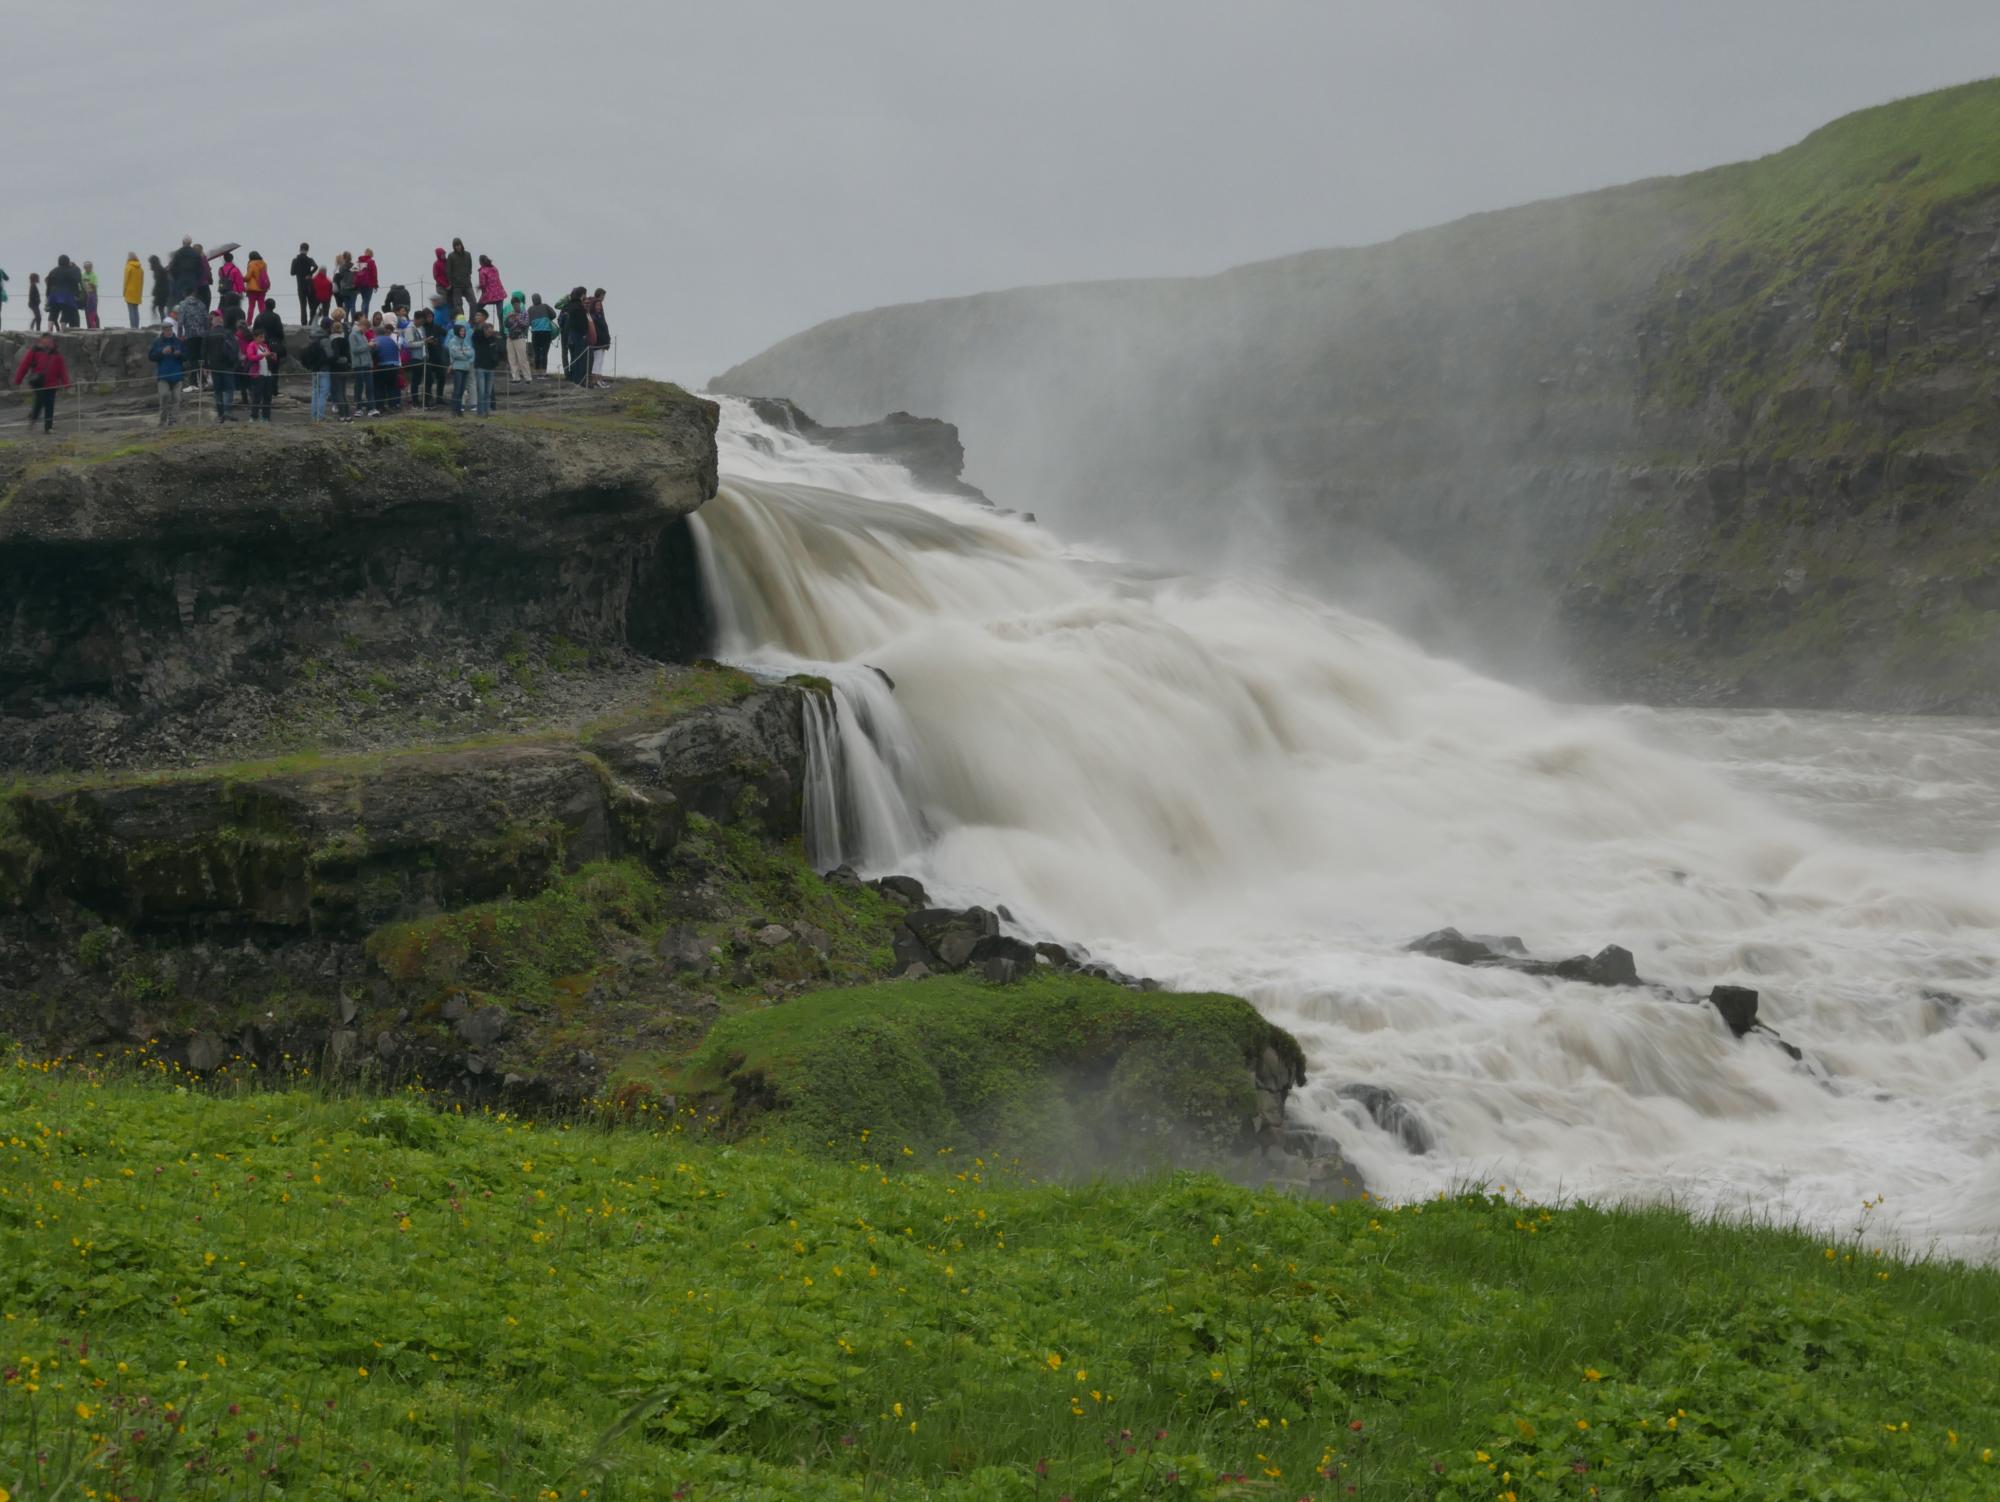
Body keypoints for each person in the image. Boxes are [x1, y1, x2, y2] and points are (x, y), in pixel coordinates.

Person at [13, 331, 69, 433]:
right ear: (41, 341)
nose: (47, 343)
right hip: (38, 382)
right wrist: (18, 379)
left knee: (50, 404)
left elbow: (62, 370)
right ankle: (33, 418)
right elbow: (24, 366)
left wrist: (66, 383)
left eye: (49, 341)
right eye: (45, 340)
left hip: (52, 383)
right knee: (40, 400)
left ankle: (48, 427)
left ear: (51, 341)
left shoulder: (56, 354)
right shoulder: (34, 351)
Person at [206, 319, 242, 421]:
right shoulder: (229, 333)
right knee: (229, 389)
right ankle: (227, 411)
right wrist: (235, 362)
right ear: (222, 323)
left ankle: (220, 414)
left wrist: (205, 366)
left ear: (213, 324)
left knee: (218, 391)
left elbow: (204, 351)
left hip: (214, 366)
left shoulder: (209, 334)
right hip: (227, 366)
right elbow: (235, 348)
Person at [470, 308, 504, 416]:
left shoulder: (493, 339)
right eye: (488, 330)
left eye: (491, 330)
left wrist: (495, 362)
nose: (490, 332)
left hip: (490, 368)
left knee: (488, 392)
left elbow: (498, 351)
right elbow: (475, 335)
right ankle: (481, 413)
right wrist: (482, 329)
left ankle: (487, 412)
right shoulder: (478, 337)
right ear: (484, 330)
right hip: (480, 367)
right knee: (481, 391)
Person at [558, 285, 592, 386]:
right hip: (578, 335)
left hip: (570, 334)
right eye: (585, 293)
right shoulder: (578, 306)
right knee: (580, 357)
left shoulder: (570, 305)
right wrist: (584, 333)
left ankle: (574, 377)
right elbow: (581, 322)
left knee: (574, 357)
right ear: (582, 294)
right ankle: (579, 380)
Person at [176, 293, 210, 391]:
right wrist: (206, 332)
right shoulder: (201, 304)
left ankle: (193, 383)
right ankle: (203, 382)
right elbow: (206, 319)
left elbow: (180, 322)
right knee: (201, 357)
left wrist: (179, 335)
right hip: (202, 335)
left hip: (190, 335)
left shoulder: (183, 304)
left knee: (192, 359)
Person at [241, 326, 275, 422]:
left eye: (263, 337)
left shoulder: (265, 346)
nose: (262, 339)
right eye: (260, 337)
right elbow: (251, 357)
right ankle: (253, 416)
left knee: (267, 396)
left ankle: (266, 416)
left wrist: (272, 356)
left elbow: (268, 357)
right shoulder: (251, 345)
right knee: (256, 396)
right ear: (255, 337)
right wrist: (262, 355)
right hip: (257, 374)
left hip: (267, 374)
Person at [445, 314, 475, 414]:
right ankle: (455, 409)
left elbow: (471, 352)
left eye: (464, 331)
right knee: (457, 390)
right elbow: (456, 354)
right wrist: (465, 354)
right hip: (458, 367)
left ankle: (459, 410)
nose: (463, 332)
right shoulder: (453, 341)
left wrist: (464, 353)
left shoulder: (464, 342)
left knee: (462, 389)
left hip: (466, 367)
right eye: (461, 331)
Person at [347, 315, 376, 416]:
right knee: (359, 387)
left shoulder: (363, 335)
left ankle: (372, 408)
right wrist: (368, 345)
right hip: (358, 365)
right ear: (363, 326)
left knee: (370, 387)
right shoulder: (353, 335)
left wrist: (371, 345)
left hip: (367, 364)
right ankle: (358, 409)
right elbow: (355, 350)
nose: (367, 331)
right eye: (367, 328)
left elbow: (364, 349)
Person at [421, 308, 449, 409]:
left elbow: (447, 333)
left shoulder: (436, 327)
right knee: (429, 379)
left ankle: (439, 398)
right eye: (428, 317)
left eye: (431, 316)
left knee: (441, 377)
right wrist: (428, 341)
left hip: (438, 355)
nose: (430, 318)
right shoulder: (422, 328)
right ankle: (427, 398)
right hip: (428, 357)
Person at [371, 320, 401, 412]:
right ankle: (394, 405)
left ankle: (380, 406)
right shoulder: (391, 340)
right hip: (394, 366)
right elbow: (397, 350)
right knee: (392, 386)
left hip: (382, 366)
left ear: (375, 333)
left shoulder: (375, 341)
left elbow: (374, 353)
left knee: (379, 387)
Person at [46, 256, 82, 330]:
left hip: (53, 295)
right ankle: (63, 329)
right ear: (67, 262)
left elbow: (49, 284)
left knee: (53, 312)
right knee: (66, 311)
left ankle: (49, 329)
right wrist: (77, 294)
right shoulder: (70, 271)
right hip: (66, 296)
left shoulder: (53, 271)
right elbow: (76, 281)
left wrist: (48, 295)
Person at [503, 291, 533, 382]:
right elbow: (506, 325)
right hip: (510, 337)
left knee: (522, 358)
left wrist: (517, 319)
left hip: (520, 337)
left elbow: (526, 324)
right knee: (512, 358)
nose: (516, 306)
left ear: (520, 304)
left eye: (517, 304)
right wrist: (508, 318)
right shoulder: (511, 313)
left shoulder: (525, 313)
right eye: (514, 305)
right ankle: (516, 377)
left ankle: (528, 377)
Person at [526, 293, 555, 374]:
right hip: (546, 332)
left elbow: (527, 321)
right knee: (545, 353)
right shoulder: (545, 306)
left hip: (535, 333)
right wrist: (547, 318)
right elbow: (554, 315)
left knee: (537, 352)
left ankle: (537, 372)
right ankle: (544, 372)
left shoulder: (530, 309)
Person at [589, 289, 613, 386]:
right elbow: (597, 330)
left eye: (600, 305)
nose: (599, 307)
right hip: (598, 341)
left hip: (602, 341)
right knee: (597, 360)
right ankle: (595, 380)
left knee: (600, 360)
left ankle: (598, 379)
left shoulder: (599, 315)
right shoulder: (594, 317)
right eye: (598, 305)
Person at [290, 243, 317, 325]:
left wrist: (298, 271)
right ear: (307, 250)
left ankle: (304, 323)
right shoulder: (310, 259)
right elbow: (316, 266)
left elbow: (292, 273)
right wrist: (310, 274)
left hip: (300, 285)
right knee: (312, 305)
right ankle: (311, 322)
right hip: (309, 285)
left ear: (300, 249)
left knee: (303, 305)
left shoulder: (295, 260)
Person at [446, 238, 473, 317]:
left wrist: (468, 276)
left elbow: (470, 268)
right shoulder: (451, 256)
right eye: (455, 245)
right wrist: (452, 282)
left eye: (458, 245)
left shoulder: (468, 254)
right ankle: (462, 321)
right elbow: (449, 271)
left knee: (473, 302)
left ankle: (472, 321)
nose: (457, 247)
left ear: (461, 244)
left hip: (467, 284)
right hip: (456, 285)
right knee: (458, 305)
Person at [475, 255, 506, 320]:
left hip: (489, 295)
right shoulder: (494, 268)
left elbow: (483, 284)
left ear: (480, 262)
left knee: (476, 309)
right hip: (499, 293)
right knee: (500, 313)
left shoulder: (482, 271)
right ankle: (502, 328)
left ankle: (474, 325)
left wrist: (479, 287)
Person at [118, 252, 144, 328]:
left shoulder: (128, 267)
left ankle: (133, 326)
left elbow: (126, 280)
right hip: (137, 292)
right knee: (136, 310)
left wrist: (124, 291)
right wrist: (140, 293)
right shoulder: (141, 269)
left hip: (129, 292)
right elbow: (142, 282)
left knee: (131, 311)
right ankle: (137, 326)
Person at [244, 251, 270, 320]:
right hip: (262, 288)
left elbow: (248, 277)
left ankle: (249, 322)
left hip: (253, 289)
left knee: (251, 306)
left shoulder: (251, 264)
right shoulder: (264, 264)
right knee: (261, 306)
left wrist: (242, 278)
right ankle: (264, 321)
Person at [354, 248, 379, 316]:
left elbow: (354, 273)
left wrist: (355, 284)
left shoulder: (358, 261)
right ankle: (364, 316)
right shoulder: (371, 262)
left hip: (360, 284)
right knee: (366, 301)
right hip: (368, 284)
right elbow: (374, 274)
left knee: (364, 300)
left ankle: (362, 316)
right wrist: (375, 284)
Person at [149, 256, 172, 324]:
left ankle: (159, 321)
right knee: (160, 308)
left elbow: (158, 282)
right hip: (163, 291)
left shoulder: (158, 270)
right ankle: (163, 321)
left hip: (160, 292)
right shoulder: (160, 269)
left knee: (156, 307)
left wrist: (154, 291)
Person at [81, 260, 102, 329]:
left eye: (89, 267)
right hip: (85, 295)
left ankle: (97, 327)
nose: (87, 268)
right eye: (86, 267)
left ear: (91, 267)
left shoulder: (93, 275)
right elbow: (81, 285)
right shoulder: (83, 275)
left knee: (93, 312)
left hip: (92, 295)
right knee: (87, 312)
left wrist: (89, 285)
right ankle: (89, 327)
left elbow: (95, 286)